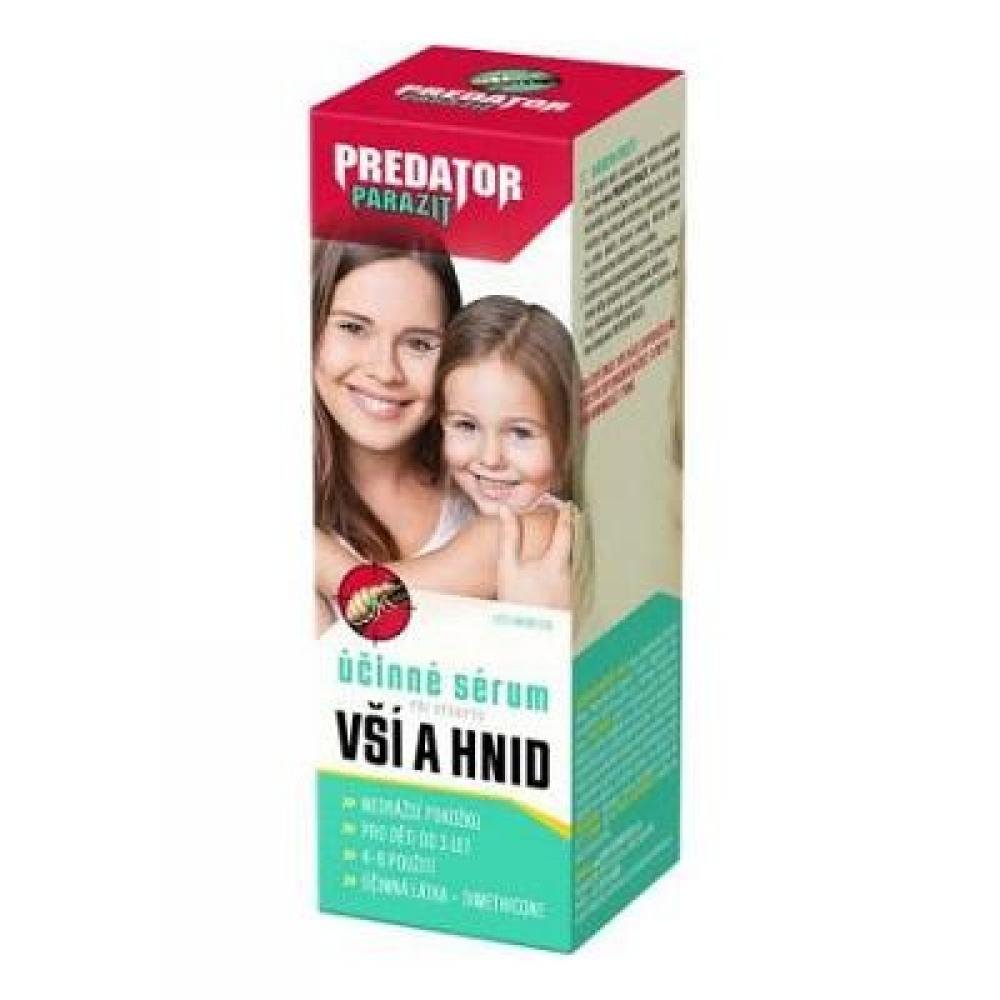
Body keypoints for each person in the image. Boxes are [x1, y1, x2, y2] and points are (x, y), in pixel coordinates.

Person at [313, 242, 571, 634]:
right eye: (353, 328)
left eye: (419, 343)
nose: (385, 371)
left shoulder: (523, 529)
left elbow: (381, 604)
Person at [437, 295, 580, 515]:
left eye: (521, 433)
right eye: (467, 425)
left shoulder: (550, 523)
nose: (490, 459)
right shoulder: (453, 511)